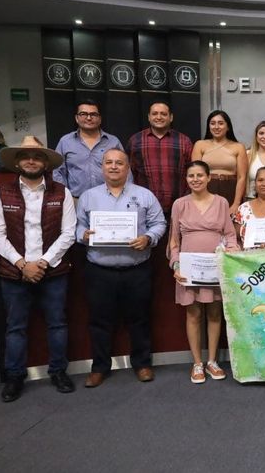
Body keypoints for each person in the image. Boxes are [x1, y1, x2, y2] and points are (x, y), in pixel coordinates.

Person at [0, 136, 76, 402]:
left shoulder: (62, 191)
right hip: (14, 272)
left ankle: (58, 371)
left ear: (46, 162)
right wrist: (22, 264)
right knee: (15, 327)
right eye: (26, 156)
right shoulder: (1, 193)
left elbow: (68, 233)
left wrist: (44, 262)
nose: (31, 160)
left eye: (37, 156)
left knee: (58, 324)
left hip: (53, 270)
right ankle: (14, 377)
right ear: (17, 161)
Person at [76, 148, 167, 388]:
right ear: (102, 167)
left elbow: (159, 223)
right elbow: (77, 227)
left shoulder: (144, 195)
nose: (114, 167)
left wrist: (148, 238)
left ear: (127, 168)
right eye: (109, 163)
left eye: (119, 163)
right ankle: (100, 367)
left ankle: (142, 364)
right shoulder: (88, 197)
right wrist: (83, 235)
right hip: (99, 271)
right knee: (99, 320)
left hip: (136, 269)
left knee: (140, 319)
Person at [169, 161, 239, 384]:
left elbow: (230, 235)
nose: (196, 179)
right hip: (188, 271)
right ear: (186, 179)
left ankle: (212, 361)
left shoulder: (221, 202)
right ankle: (197, 362)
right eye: (191, 176)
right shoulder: (179, 204)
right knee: (194, 314)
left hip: (215, 269)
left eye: (200, 175)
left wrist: (231, 256)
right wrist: (176, 266)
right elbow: (174, 241)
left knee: (215, 314)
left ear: (209, 178)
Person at [127, 101, 193, 214]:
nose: (159, 117)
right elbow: (129, 174)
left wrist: (186, 199)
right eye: (155, 113)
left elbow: (191, 173)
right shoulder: (135, 141)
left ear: (171, 117)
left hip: (178, 207)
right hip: (144, 207)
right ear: (149, 117)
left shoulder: (184, 141)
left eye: (163, 114)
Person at [53, 99, 127, 198]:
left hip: (109, 200)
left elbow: (125, 170)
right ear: (76, 118)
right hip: (76, 200)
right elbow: (57, 171)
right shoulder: (66, 142)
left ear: (100, 119)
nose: (88, 118)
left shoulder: (113, 142)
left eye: (93, 114)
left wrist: (125, 196)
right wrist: (64, 196)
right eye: (83, 114)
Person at [191, 110, 247, 213]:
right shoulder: (200, 145)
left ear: (228, 127)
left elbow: (242, 177)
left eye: (220, 123)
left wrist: (236, 204)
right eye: (212, 123)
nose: (216, 127)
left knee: (230, 226)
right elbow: (195, 175)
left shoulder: (238, 147)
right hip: (207, 189)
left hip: (230, 189)